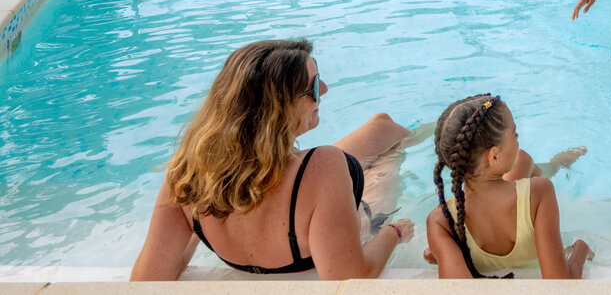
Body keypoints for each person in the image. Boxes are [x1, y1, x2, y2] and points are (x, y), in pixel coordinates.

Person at [131, 39, 417, 280]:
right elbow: (352, 278)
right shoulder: (323, 164)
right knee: (387, 157)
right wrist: (394, 233)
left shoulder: (187, 171)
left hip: (284, 181)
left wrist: (195, 223)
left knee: (381, 125)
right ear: (281, 109)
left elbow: (148, 278)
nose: (326, 90)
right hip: (337, 217)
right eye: (315, 86)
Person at [425, 93, 592, 279]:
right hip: (521, 195)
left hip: (500, 190)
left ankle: (555, 164)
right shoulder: (540, 193)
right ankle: (557, 164)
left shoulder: (439, 222)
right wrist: (580, 251)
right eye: (514, 134)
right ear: (494, 155)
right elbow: (560, 286)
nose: (518, 139)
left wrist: (442, 250)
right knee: (523, 160)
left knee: (522, 163)